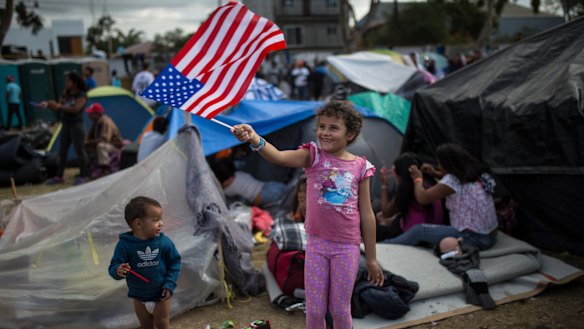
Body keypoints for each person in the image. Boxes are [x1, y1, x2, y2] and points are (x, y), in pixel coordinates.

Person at [230, 100, 384, 329]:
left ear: (350, 133)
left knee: (340, 311)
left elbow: (367, 214)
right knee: (314, 310)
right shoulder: (312, 156)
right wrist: (254, 138)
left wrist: (371, 258)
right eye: (322, 126)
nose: (325, 132)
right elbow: (279, 157)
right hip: (316, 245)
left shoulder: (361, 167)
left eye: (334, 127)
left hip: (346, 248)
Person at [382, 143, 498, 251]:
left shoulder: (452, 181)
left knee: (418, 231)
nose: (438, 166)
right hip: (490, 235)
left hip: (473, 238)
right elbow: (451, 185)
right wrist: (435, 173)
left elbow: (422, 198)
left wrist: (417, 178)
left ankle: (383, 248)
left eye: (440, 164)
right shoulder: (479, 175)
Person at [108, 196, 181, 329]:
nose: (161, 223)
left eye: (161, 219)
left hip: (161, 296)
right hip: (139, 298)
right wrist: (118, 270)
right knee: (146, 326)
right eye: (156, 220)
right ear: (138, 223)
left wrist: (169, 284)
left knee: (162, 324)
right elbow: (113, 267)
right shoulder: (125, 245)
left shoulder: (164, 242)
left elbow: (175, 263)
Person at [376, 152, 444, 242]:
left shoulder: (408, 188)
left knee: (365, 226)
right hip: (432, 232)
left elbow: (386, 212)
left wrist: (384, 184)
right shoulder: (431, 182)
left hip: (411, 235)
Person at [41, 72, 89, 185]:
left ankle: (83, 175)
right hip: (65, 126)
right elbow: (58, 106)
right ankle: (59, 176)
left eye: (69, 81)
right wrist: (48, 104)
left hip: (76, 126)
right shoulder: (66, 94)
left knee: (80, 151)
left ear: (75, 83)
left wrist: (60, 107)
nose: (67, 83)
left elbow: (76, 109)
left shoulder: (81, 95)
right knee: (62, 152)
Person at [210, 158, 286, 208]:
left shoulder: (228, 190)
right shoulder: (239, 173)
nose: (231, 179)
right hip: (268, 185)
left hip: (264, 192)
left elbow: (256, 201)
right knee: (287, 194)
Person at [84, 102, 124, 178]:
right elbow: (89, 137)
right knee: (87, 146)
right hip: (108, 145)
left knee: (101, 146)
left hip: (115, 146)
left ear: (97, 114)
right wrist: (86, 142)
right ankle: (89, 167)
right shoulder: (96, 123)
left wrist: (89, 142)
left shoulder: (106, 122)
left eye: (91, 113)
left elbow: (104, 139)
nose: (89, 115)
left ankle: (105, 168)